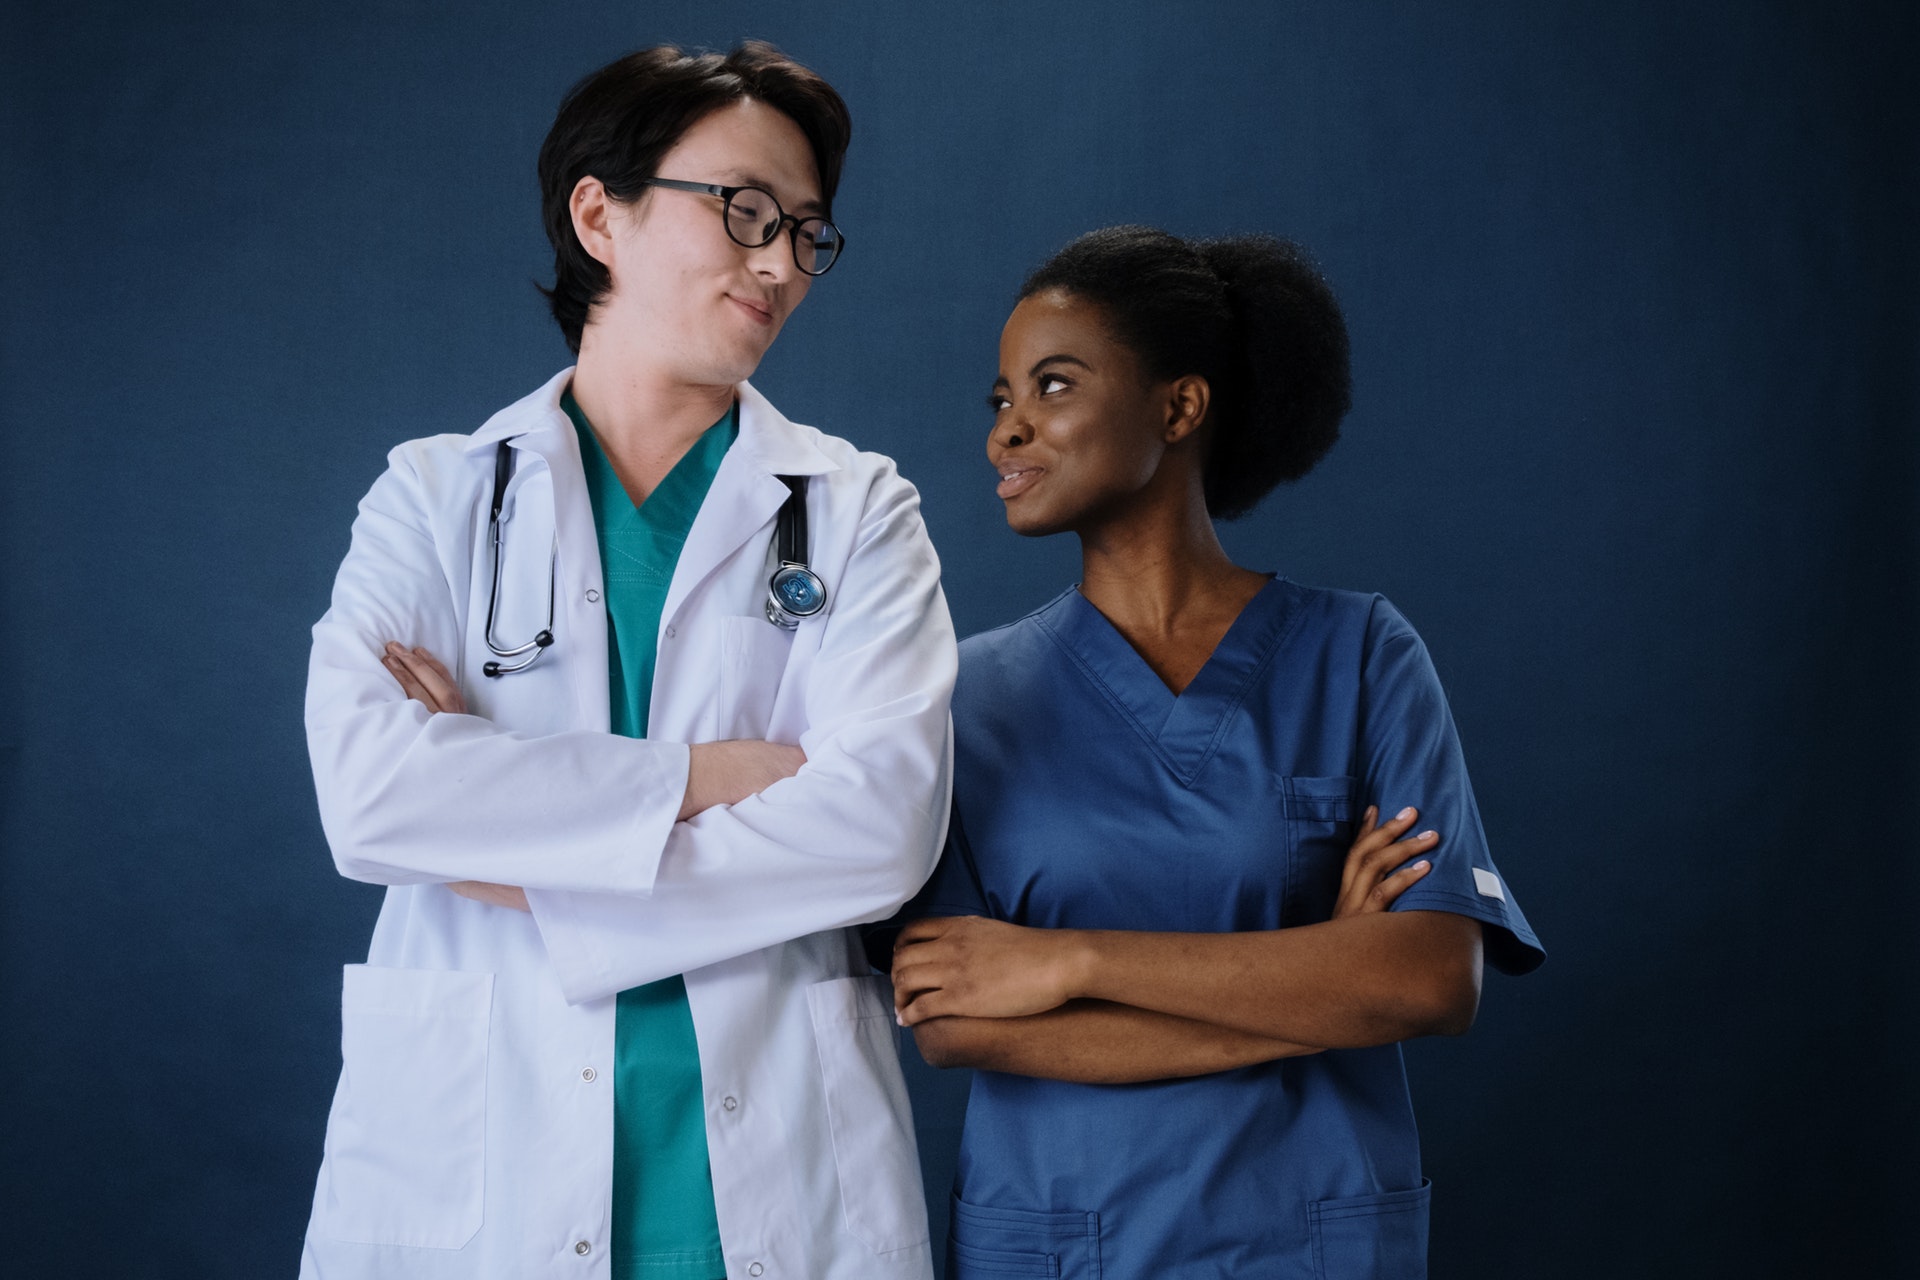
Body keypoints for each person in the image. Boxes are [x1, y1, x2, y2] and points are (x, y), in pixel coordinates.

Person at [299, 43, 954, 1280]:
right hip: (482, 1181)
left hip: (773, 1184)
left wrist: (510, 849)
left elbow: (882, 828)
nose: (779, 263)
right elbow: (374, 795)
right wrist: (719, 772)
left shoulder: (859, 506)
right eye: (745, 211)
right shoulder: (434, 496)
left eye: (808, 233)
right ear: (600, 213)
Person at [882, 226, 1544, 1279]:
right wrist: (1322, 976)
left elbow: (1428, 978)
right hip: (1064, 1240)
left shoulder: (1362, 654)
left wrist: (1071, 960)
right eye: (1001, 399)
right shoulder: (963, 697)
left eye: (1052, 387)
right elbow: (954, 1021)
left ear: (1178, 406)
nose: (1009, 430)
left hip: (1309, 1237)